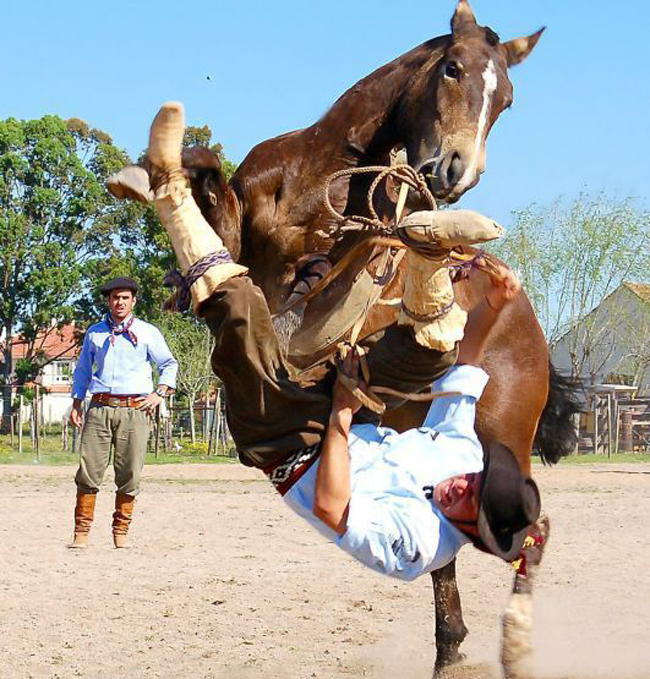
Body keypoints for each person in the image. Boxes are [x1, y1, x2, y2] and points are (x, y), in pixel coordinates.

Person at [141, 102, 540, 578]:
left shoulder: (417, 544)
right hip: (347, 411)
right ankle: (427, 253)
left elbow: (333, 507)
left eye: (469, 499)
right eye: (474, 482)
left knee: (241, 306)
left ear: (474, 529)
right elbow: (469, 369)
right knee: (432, 356)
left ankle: (170, 191)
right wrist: (491, 307)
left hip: (293, 443)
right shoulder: (463, 458)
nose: (461, 486)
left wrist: (341, 416)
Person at [69, 277, 178, 548]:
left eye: (125, 298)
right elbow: (83, 369)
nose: (120, 302)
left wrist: (159, 393)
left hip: (135, 410)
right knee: (89, 470)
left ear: (134, 301)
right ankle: (81, 532)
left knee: (130, 472)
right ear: (109, 301)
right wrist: (77, 402)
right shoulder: (95, 333)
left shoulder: (147, 332)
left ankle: (121, 533)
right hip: (100, 408)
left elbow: (168, 363)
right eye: (115, 297)